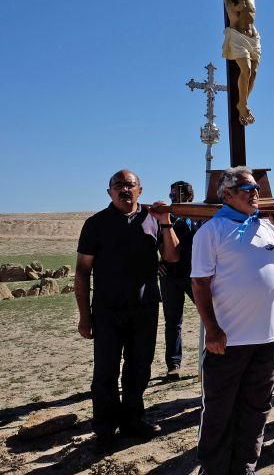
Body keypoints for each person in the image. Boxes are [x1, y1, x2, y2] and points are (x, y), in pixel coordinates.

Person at [190, 167, 274, 473]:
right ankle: (214, 469)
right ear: (227, 194)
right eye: (246, 189)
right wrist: (211, 330)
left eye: (256, 189)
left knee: (256, 409)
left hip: (267, 339)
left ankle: (245, 467)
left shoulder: (268, 227)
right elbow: (200, 283)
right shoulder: (212, 231)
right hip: (229, 340)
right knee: (219, 411)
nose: (255, 194)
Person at [75, 170, 179, 453]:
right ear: (108, 192)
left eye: (129, 185)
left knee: (139, 368)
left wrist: (166, 222)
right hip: (108, 310)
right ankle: (105, 429)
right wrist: (85, 315)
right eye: (118, 185)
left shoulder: (152, 220)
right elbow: (83, 271)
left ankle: (133, 420)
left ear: (140, 190)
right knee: (105, 372)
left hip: (145, 308)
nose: (124, 189)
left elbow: (171, 257)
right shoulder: (96, 224)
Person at [158, 181, 200, 381]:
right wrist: (155, 262)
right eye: (172, 194)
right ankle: (173, 364)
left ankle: (213, 355)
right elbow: (151, 242)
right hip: (170, 276)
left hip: (195, 274)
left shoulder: (198, 217)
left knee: (210, 315)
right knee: (173, 321)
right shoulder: (164, 217)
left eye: (179, 195)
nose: (174, 198)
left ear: (190, 197)